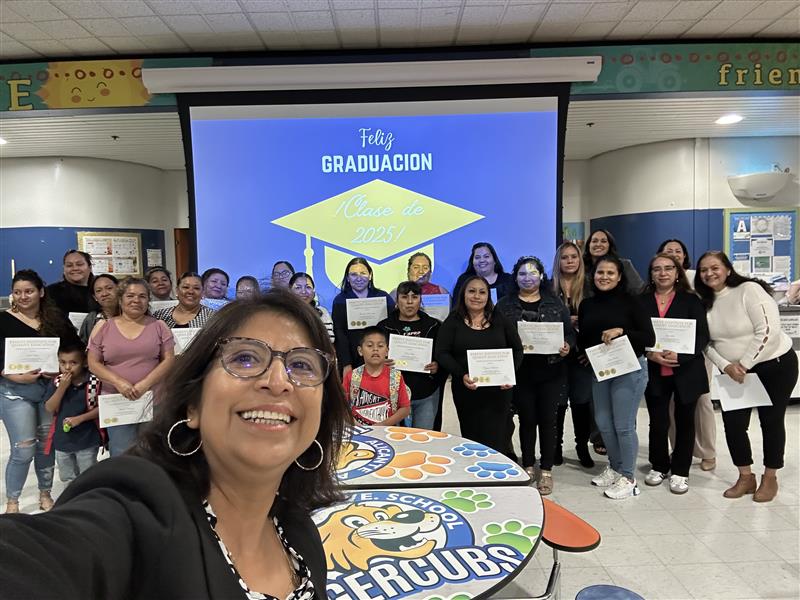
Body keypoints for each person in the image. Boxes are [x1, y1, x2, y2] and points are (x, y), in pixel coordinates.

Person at [0, 292, 351, 598]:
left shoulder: (297, 530)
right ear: (192, 405)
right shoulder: (138, 512)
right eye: (245, 358)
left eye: (301, 365)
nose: (278, 382)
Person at [696, 251, 798, 502]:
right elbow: (704, 342)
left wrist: (743, 364)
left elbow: (768, 330)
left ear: (728, 269)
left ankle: (770, 477)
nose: (709, 273)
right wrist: (726, 366)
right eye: (703, 270)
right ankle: (745, 476)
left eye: (715, 267)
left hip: (774, 365)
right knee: (733, 424)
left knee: (771, 422)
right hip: (732, 371)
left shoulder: (748, 290)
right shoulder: (703, 302)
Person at [578, 255, 654, 500]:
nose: (604, 277)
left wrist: (622, 331)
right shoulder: (587, 305)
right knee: (603, 423)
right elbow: (586, 338)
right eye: (600, 272)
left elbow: (649, 338)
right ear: (594, 275)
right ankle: (615, 466)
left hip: (629, 370)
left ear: (619, 276)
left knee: (623, 424)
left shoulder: (633, 302)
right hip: (602, 370)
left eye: (610, 273)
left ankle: (629, 478)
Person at [1, 270, 76, 514]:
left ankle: (45, 493)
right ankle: (13, 501)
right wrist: (12, 375)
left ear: (41, 292)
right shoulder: (2, 320)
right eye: (17, 292)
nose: (23, 296)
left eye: (29, 291)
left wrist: (61, 369)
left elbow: (73, 349)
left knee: (46, 446)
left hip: (49, 392)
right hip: (15, 392)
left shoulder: (55, 320)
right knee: (23, 449)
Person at [496, 257, 573, 495]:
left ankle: (547, 471)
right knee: (527, 421)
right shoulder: (504, 305)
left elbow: (570, 334)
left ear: (541, 276)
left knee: (548, 422)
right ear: (515, 277)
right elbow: (496, 336)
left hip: (550, 371)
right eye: (522, 274)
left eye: (532, 273)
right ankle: (528, 465)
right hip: (520, 372)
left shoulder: (556, 304)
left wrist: (567, 346)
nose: (527, 278)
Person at [640, 253, 710, 495]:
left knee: (685, 422)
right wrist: (650, 353)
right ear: (651, 274)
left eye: (668, 268)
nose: (662, 273)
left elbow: (702, 336)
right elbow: (636, 334)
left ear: (677, 272)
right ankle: (659, 465)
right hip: (654, 369)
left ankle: (681, 471)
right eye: (656, 269)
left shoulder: (691, 300)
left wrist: (682, 356)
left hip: (686, 370)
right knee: (658, 421)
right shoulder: (642, 301)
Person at [88, 278, 176, 456]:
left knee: (152, 450)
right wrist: (119, 382)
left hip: (153, 398)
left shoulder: (159, 326)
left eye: (142, 296)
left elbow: (168, 360)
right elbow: (93, 363)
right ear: (120, 300)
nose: (136, 300)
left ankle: (150, 484)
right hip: (116, 399)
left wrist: (144, 384)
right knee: (121, 450)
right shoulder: (103, 326)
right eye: (130, 295)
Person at [436, 275, 523, 453]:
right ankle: (477, 474)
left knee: (500, 435)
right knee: (472, 436)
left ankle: (499, 475)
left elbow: (518, 349)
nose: (477, 296)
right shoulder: (452, 322)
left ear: (488, 296)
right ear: (463, 294)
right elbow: (442, 353)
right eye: (472, 291)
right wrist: (461, 374)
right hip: (467, 390)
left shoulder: (500, 319)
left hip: (499, 390)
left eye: (482, 292)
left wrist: (510, 373)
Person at [657, 238, 716, 471]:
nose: (673, 254)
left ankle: (707, 452)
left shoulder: (696, 278)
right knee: (672, 404)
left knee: (700, 401)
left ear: (684, 256)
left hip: (695, 352)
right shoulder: (658, 281)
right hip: (664, 354)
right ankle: (680, 449)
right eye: (667, 251)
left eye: (677, 251)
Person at [551, 241, 595, 469]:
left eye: (573, 257)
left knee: (581, 402)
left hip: (582, 356)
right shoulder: (548, 287)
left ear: (580, 260)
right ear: (558, 261)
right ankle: (555, 447)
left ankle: (581, 447)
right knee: (558, 403)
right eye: (565, 257)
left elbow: (599, 319)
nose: (569, 261)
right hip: (555, 355)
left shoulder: (589, 287)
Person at [378, 281, 443, 430]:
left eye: (414, 297)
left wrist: (437, 365)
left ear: (420, 300)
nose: (409, 302)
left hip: (426, 393)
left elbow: (443, 354)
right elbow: (374, 356)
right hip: (393, 394)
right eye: (404, 297)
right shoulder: (384, 326)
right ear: (397, 300)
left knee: (423, 439)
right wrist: (381, 363)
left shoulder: (434, 326)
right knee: (395, 439)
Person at [43, 341, 103, 484]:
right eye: (62, 363)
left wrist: (81, 418)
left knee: (88, 477)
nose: (67, 367)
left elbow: (103, 408)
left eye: (73, 363)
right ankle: (71, 503)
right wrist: (62, 388)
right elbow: (49, 408)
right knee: (67, 478)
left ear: (84, 362)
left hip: (87, 439)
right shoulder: (57, 382)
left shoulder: (94, 382)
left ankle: (88, 503)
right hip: (62, 441)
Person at [331, 257, 395, 376]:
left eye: (363, 273)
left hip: (381, 361)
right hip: (353, 360)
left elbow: (393, 327)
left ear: (370, 275)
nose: (359, 278)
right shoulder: (340, 300)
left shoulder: (383, 297)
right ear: (348, 278)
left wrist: (389, 354)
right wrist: (346, 363)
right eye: (354, 274)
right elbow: (340, 333)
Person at [342, 327, 411, 426]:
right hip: (358, 431)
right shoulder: (352, 377)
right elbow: (340, 406)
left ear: (387, 351)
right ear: (360, 350)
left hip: (387, 432)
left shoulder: (395, 377)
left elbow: (405, 408)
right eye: (370, 345)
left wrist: (382, 425)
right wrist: (356, 424)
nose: (375, 349)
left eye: (380, 346)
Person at [582, 229, 644, 294]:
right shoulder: (581, 267)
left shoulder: (624, 265)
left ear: (609, 245)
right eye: (594, 241)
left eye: (603, 241)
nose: (598, 244)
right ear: (588, 245)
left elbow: (640, 291)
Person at [46, 249, 99, 315]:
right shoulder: (51, 292)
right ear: (64, 269)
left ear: (90, 267)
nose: (75, 268)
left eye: (79, 264)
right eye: (69, 265)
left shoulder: (99, 290)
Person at [289, 272, 333, 343]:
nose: (303, 292)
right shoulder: (284, 313)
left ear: (314, 291)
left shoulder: (322, 312)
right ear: (290, 290)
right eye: (298, 287)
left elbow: (330, 339)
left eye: (308, 287)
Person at [78, 274, 119, 345]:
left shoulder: (130, 314)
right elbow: (83, 346)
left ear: (119, 290)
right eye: (98, 291)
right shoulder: (91, 319)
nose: (104, 294)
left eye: (109, 288)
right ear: (95, 297)